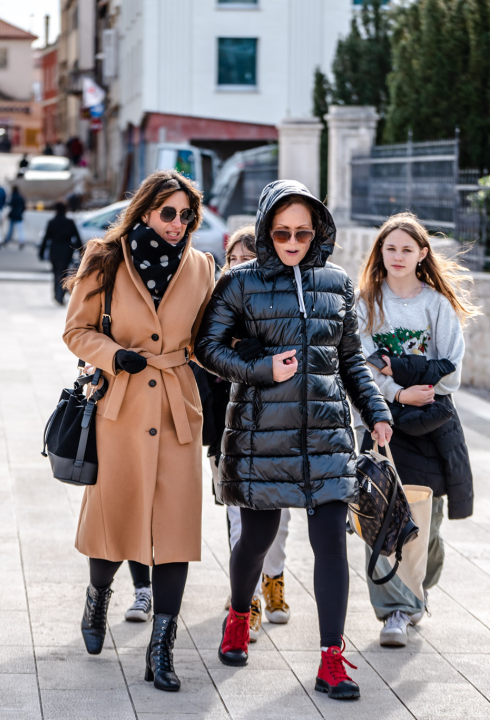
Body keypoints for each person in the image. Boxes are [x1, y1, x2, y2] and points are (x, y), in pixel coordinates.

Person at [195, 180, 393, 702]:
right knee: (256, 539)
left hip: (328, 433)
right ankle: (239, 614)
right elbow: (206, 347)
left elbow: (351, 359)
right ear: (265, 230)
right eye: (282, 232)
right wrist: (260, 368)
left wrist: (376, 413)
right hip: (263, 435)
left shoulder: (337, 282)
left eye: (303, 232)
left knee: (330, 540)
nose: (292, 241)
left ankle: (332, 660)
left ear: (318, 231)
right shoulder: (240, 282)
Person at [62, 170, 216, 692]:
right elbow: (75, 330)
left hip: (176, 409)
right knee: (113, 521)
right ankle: (98, 595)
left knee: (175, 533)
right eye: (168, 213)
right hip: (121, 407)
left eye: (186, 215)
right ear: (146, 210)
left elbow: (209, 340)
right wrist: (113, 355)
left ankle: (161, 650)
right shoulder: (105, 258)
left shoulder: (202, 267)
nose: (177, 224)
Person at [354, 212, 479, 647]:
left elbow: (451, 373)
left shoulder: (436, 305)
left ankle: (418, 589)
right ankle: (395, 612)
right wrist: (397, 393)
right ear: (380, 253)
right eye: (390, 248)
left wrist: (399, 371)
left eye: (407, 249)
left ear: (422, 254)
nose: (398, 256)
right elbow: (360, 366)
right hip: (381, 422)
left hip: (430, 425)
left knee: (428, 526)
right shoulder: (365, 303)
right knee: (383, 519)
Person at [204, 226, 292, 641]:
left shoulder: (279, 302)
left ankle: (274, 580)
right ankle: (248, 600)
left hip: (278, 431)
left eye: (248, 259)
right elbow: (202, 356)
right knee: (240, 521)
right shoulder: (218, 305)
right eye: (234, 259)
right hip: (228, 432)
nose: (240, 266)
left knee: (279, 522)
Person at [39, 201, 82, 305]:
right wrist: (81, 251)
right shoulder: (70, 222)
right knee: (63, 273)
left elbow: (46, 238)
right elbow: (77, 237)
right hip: (66, 250)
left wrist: (41, 252)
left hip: (54, 249)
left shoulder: (52, 222)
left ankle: (56, 294)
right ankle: (60, 295)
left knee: (55, 273)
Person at [1, 185, 27, 250]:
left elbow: (9, 205)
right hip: (19, 215)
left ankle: (7, 240)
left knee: (10, 229)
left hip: (13, 215)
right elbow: (24, 206)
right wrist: (21, 212)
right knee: (20, 229)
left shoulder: (12, 196)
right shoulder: (21, 197)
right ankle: (21, 241)